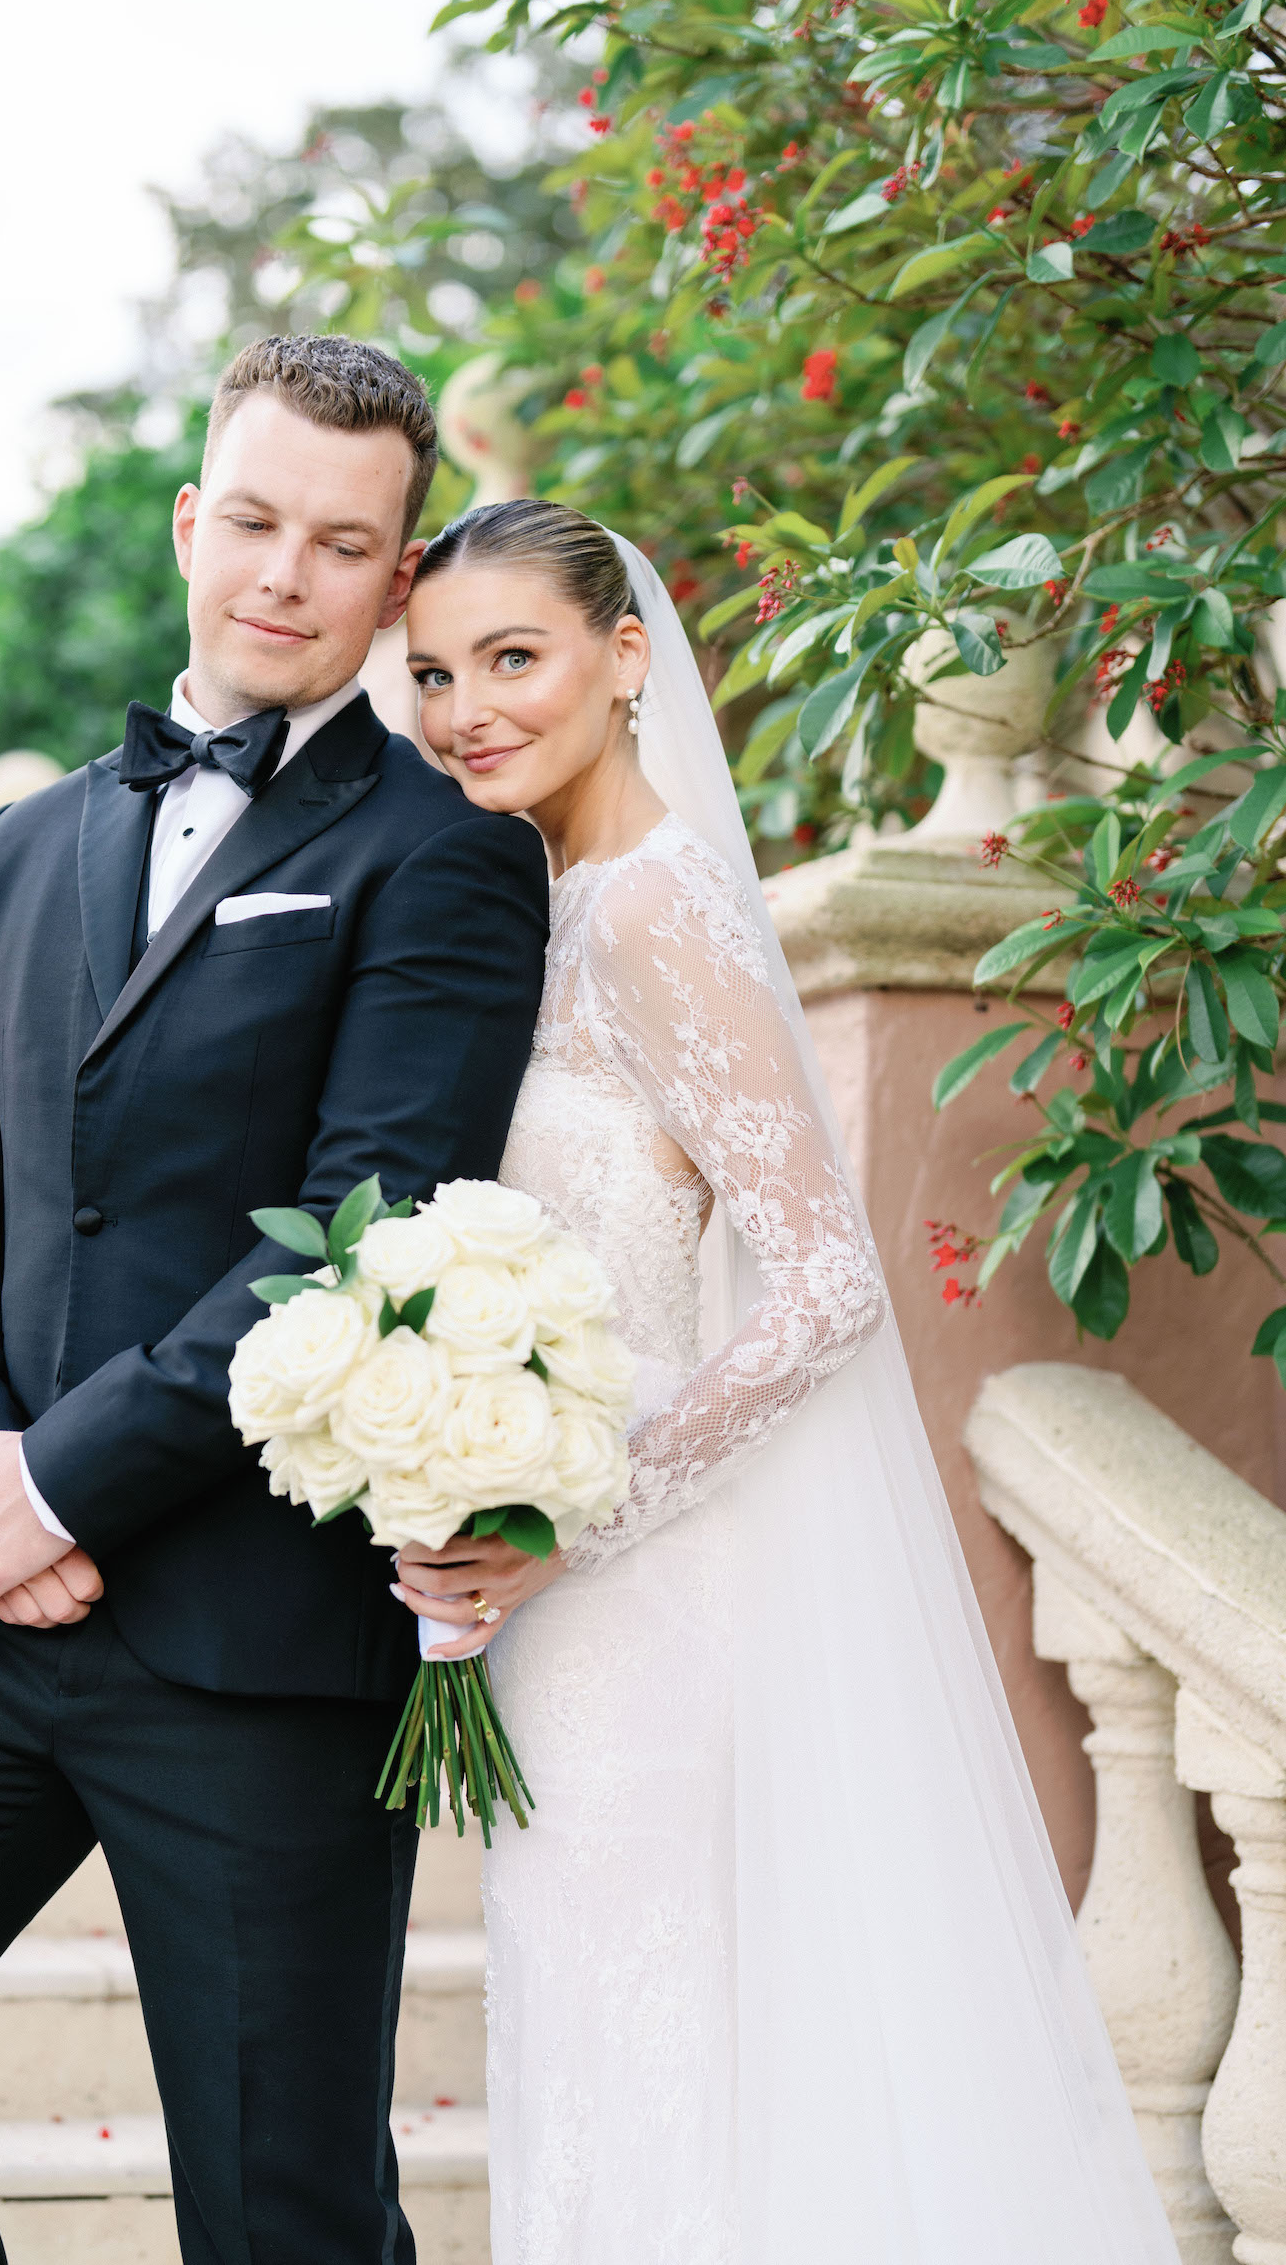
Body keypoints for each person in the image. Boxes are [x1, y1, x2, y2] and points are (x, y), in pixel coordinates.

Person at [0, 337, 550, 2264]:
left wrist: (68, 1482)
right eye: (251, 520)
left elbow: (354, 1224)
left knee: (283, 2213)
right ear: (190, 521)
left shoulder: (448, 858)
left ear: (398, 577)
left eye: (343, 542)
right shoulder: (28, 841)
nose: (283, 573)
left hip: (250, 1629)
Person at [392, 499, 1179, 2265]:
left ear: (625, 656)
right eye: (437, 670)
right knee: (600, 2037)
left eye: (512, 659)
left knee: (662, 2050)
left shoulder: (657, 906)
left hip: (639, 1585)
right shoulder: (564, 898)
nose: (465, 709)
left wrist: (566, 1511)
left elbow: (824, 1289)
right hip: (569, 1594)